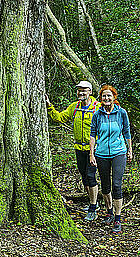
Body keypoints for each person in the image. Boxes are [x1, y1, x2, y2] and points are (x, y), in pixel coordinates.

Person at [46, 80, 102, 221]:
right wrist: (48, 105)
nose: (81, 93)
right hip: (79, 148)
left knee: (91, 176)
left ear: (90, 91)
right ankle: (92, 202)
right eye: (79, 90)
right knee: (84, 177)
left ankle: (93, 207)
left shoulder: (98, 107)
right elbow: (59, 118)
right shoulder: (74, 107)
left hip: (93, 149)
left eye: (84, 90)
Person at [89, 85, 133, 233]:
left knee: (116, 184)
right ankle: (109, 211)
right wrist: (91, 153)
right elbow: (93, 134)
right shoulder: (97, 115)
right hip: (101, 153)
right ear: (100, 99)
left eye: (109, 96)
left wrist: (130, 150)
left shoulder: (121, 113)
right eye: (104, 96)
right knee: (105, 185)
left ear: (114, 97)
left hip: (118, 152)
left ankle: (118, 218)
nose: (106, 98)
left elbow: (127, 131)